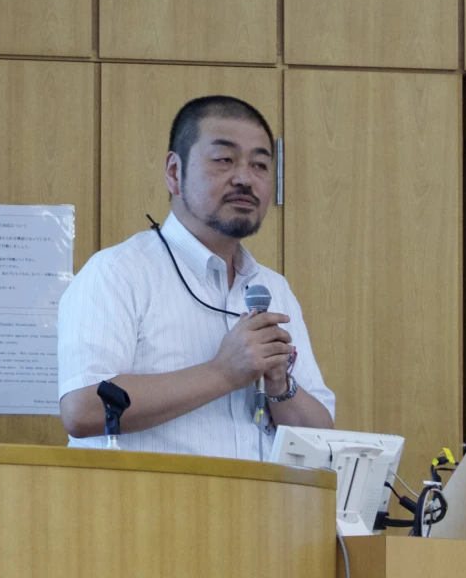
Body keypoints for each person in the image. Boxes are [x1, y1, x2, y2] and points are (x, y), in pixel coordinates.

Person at [58, 95, 335, 460]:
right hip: (149, 513)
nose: (244, 179)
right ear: (175, 172)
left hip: (262, 511)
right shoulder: (117, 273)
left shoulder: (272, 288)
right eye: (224, 160)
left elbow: (321, 435)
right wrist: (222, 373)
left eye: (260, 165)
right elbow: (83, 410)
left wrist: (280, 385)